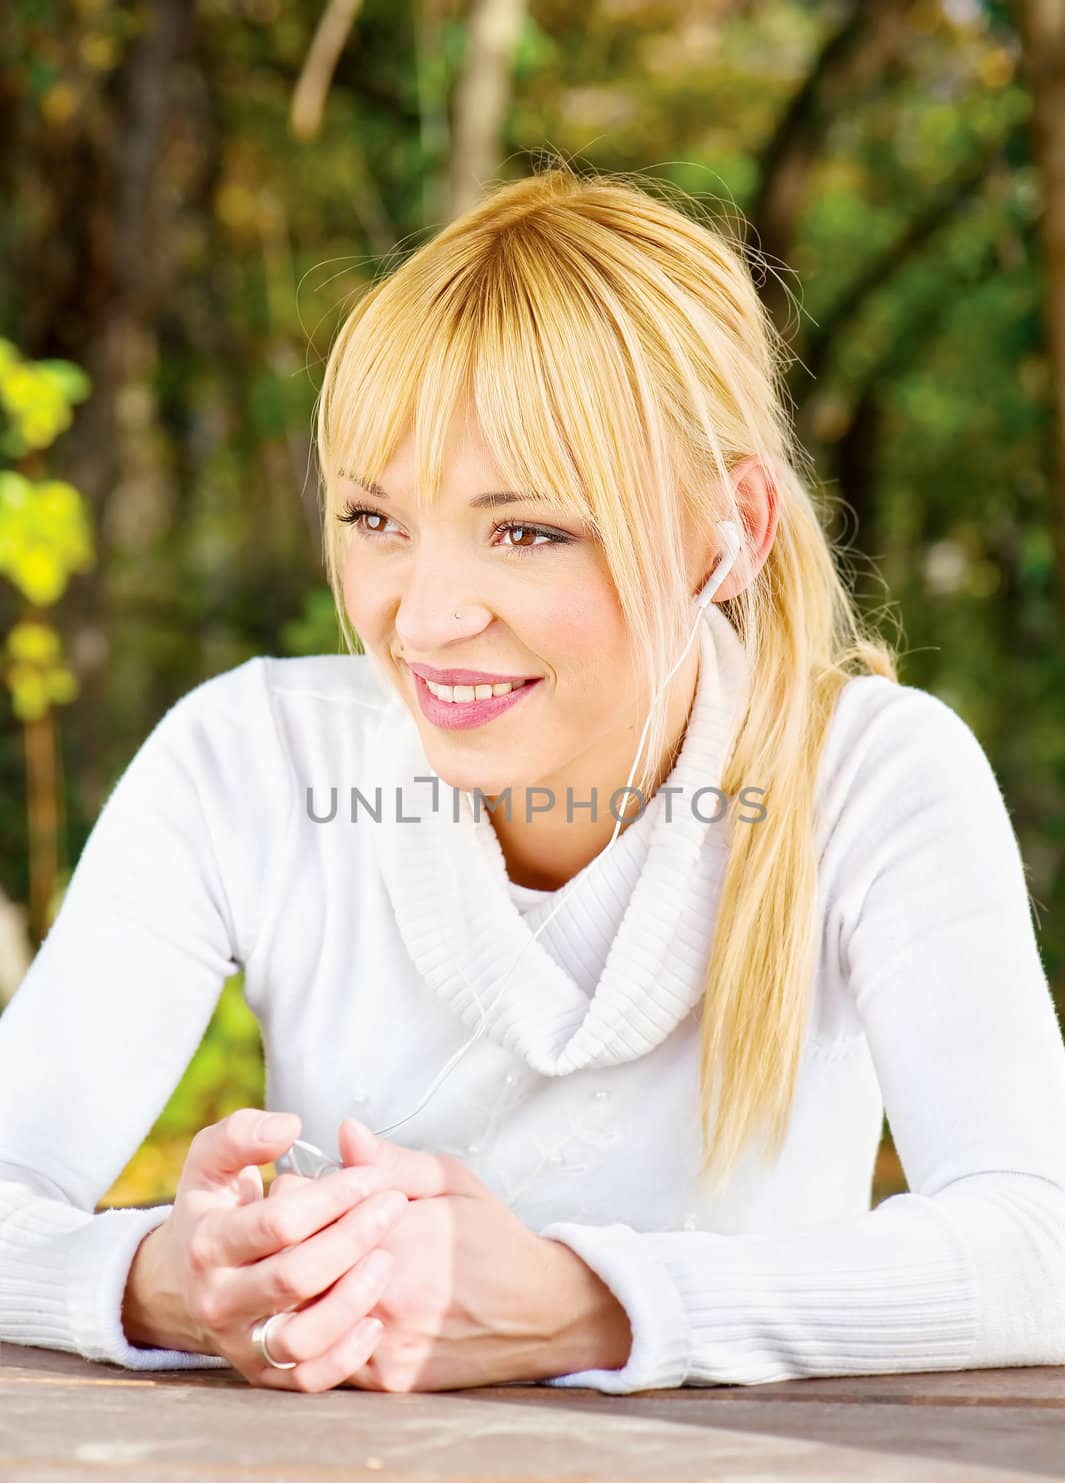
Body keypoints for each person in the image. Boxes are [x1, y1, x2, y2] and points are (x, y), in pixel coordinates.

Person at [2, 163, 1065, 1398]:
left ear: (731, 533)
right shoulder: (248, 759)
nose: (428, 618)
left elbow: (1041, 1244)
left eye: (528, 530)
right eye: (374, 519)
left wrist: (581, 1307)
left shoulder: (872, 777)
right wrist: (165, 1281)